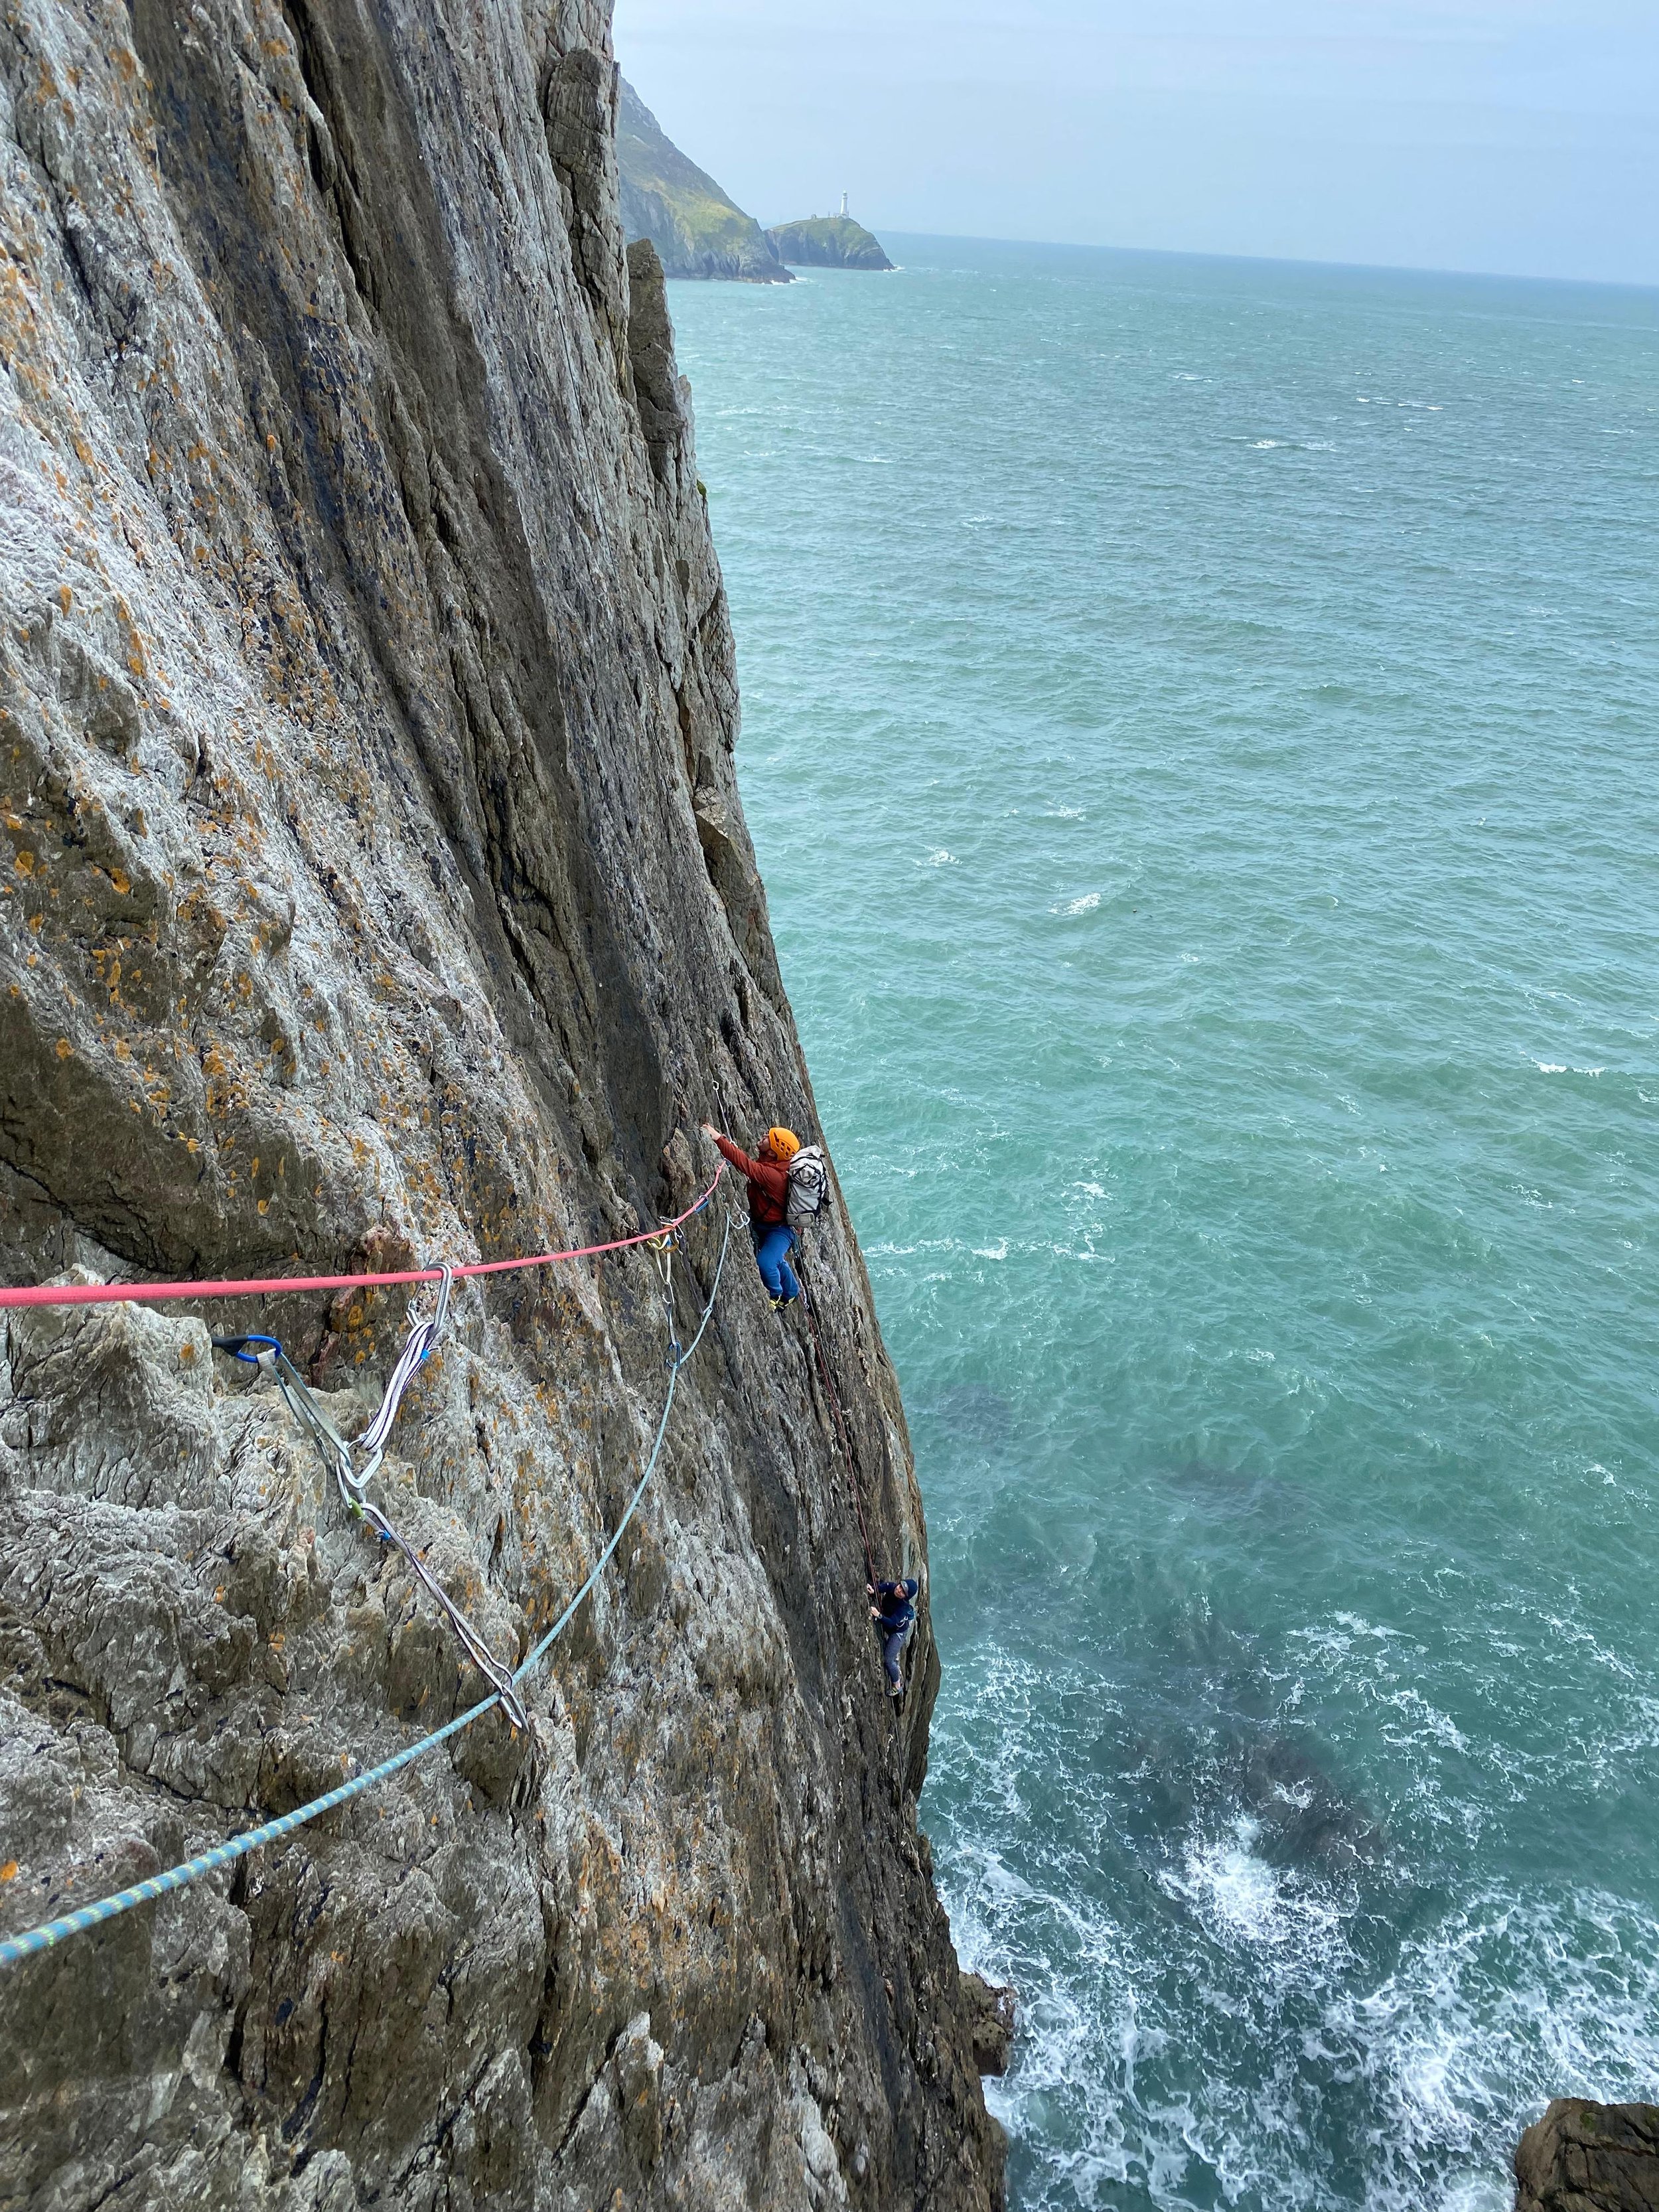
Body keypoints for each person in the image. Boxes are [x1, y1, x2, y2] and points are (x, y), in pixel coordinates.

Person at [701, 1120, 803, 1307]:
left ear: (773, 1152)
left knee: (766, 1262)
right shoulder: (774, 1163)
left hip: (780, 1230)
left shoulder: (774, 1176)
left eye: (768, 1138)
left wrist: (717, 1138)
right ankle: (792, 1291)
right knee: (775, 1259)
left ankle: (776, 1295)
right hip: (767, 1223)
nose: (763, 1136)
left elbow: (745, 1165)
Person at [869, 1576, 920, 1698]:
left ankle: (897, 1686)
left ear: (905, 1597)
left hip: (898, 1633)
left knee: (888, 1660)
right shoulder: (892, 1587)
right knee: (890, 1655)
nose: (899, 1590)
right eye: (900, 1586)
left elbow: (892, 1622)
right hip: (889, 1625)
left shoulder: (903, 1607)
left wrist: (878, 1615)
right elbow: (881, 1588)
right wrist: (873, 1590)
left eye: (903, 1592)